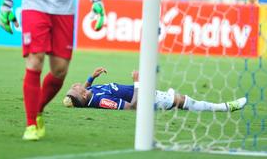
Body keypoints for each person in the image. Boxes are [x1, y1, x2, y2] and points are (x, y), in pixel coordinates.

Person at [0, 0, 105, 141]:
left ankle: (37, 109)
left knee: (60, 70)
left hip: (64, 9)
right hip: (34, 5)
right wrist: (6, 3)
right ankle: (31, 124)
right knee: (35, 60)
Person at [63, 67, 247, 112]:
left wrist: (91, 77)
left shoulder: (89, 93)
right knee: (183, 101)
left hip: (146, 91)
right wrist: (137, 82)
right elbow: (132, 107)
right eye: (76, 88)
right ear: (82, 95)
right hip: (145, 97)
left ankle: (169, 95)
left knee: (172, 96)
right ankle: (225, 107)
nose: (76, 85)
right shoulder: (100, 101)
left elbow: (83, 94)